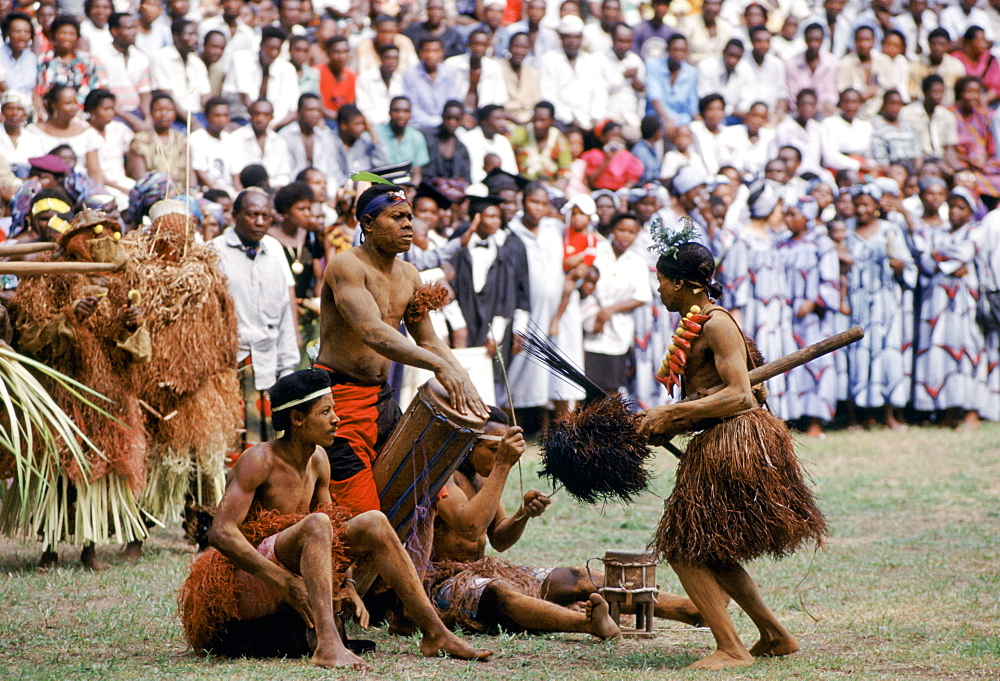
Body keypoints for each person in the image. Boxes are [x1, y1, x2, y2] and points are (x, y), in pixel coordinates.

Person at [181, 368, 491, 669]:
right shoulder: (259, 461)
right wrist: (285, 581)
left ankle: (435, 633)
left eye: (334, 410)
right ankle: (327, 643)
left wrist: (348, 584)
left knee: (373, 521)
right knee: (318, 523)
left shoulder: (318, 460)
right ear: (297, 419)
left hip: (293, 563)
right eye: (325, 412)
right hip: (251, 578)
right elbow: (221, 532)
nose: (336, 419)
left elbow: (336, 535)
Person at [638, 236, 826, 671]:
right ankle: (775, 636)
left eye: (663, 282)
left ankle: (731, 648)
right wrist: (672, 419)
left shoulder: (716, 324)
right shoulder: (696, 322)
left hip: (735, 439)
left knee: (684, 547)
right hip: (717, 437)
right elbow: (718, 390)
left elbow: (741, 396)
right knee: (712, 549)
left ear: (684, 284)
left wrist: (675, 413)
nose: (660, 290)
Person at [427, 408, 680, 638]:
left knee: (576, 577)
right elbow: (470, 528)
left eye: (500, 452)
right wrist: (503, 464)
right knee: (500, 593)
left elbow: (500, 539)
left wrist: (522, 514)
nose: (499, 458)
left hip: (480, 572)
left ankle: (688, 609)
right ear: (469, 444)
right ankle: (586, 624)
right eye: (493, 450)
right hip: (441, 583)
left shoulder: (482, 479)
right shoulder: (444, 478)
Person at [316, 183, 489, 517]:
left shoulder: (410, 273)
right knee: (363, 513)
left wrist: (461, 376)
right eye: (396, 217)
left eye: (409, 217)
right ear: (367, 224)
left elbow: (429, 339)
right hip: (340, 399)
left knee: (426, 492)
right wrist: (438, 368)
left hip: (381, 398)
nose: (408, 225)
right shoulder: (345, 265)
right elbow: (372, 331)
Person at [211, 189, 300, 445]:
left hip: (269, 369)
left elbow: (284, 316)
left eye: (265, 216)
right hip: (229, 369)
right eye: (252, 215)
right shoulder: (214, 253)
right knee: (229, 449)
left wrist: (288, 367)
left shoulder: (273, 256)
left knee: (267, 451)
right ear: (234, 215)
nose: (259, 222)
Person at [912, 188, 989, 427]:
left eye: (961, 207)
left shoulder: (975, 231)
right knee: (938, 353)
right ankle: (945, 410)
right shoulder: (940, 232)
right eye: (952, 206)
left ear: (970, 211)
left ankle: (969, 410)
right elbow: (925, 260)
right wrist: (943, 260)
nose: (955, 212)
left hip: (963, 303)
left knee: (966, 350)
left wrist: (940, 257)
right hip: (936, 303)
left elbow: (965, 252)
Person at [126, 92, 191, 188]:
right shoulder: (140, 141)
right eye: (159, 110)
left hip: (181, 191)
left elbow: (190, 173)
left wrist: (192, 190)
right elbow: (140, 178)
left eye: (169, 110)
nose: (164, 114)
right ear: (151, 113)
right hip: (153, 192)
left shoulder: (181, 139)